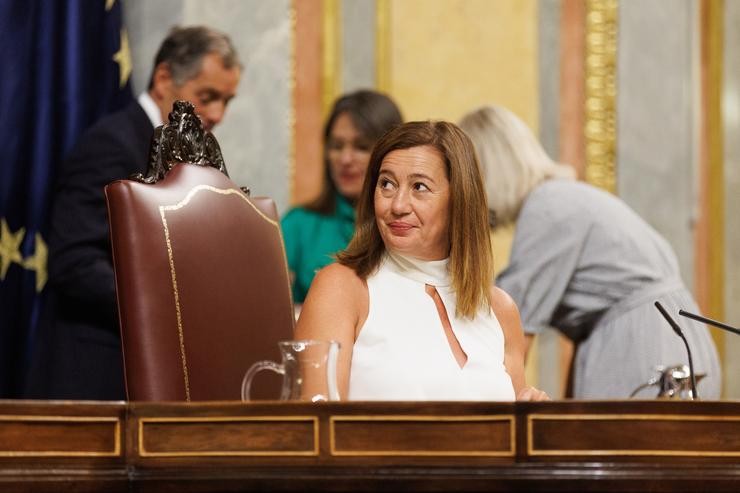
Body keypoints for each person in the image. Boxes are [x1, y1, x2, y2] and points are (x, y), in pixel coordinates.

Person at [25, 26, 242, 400]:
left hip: (160, 376)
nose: (218, 114)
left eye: (227, 101)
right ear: (163, 78)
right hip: (97, 374)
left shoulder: (195, 160)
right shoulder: (111, 144)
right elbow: (74, 262)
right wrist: (164, 307)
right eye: (207, 97)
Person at [458, 104, 722, 399]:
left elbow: (509, 331)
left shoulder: (548, 206)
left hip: (643, 349)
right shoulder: (567, 197)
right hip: (677, 342)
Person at [295, 120, 548, 401]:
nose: (398, 206)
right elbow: (313, 431)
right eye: (387, 184)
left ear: (459, 200)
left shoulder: (501, 310)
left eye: (419, 187)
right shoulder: (342, 288)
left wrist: (534, 421)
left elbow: (513, 436)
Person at [281, 90, 403, 304]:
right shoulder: (298, 225)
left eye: (361, 147)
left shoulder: (406, 224)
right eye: (337, 146)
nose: (345, 159)